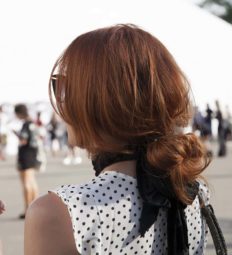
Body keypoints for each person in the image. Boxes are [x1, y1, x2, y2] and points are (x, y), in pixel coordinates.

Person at [25, 24, 212, 255]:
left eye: (66, 86)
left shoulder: (60, 212)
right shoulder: (191, 191)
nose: (62, 100)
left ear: (99, 101)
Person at [14, 104, 39, 219]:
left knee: (26, 182)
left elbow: (23, 140)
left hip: (25, 154)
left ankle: (27, 208)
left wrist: (16, 134)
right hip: (33, 152)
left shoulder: (26, 124)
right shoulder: (33, 122)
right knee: (32, 181)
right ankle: (36, 206)